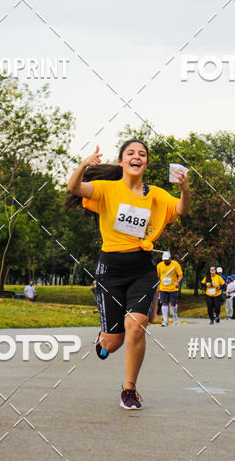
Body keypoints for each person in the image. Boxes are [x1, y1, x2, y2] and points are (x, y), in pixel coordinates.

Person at [66, 140, 190, 410]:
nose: (137, 157)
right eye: (131, 153)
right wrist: (84, 165)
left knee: (137, 326)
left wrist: (184, 189)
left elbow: (181, 210)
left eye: (142, 154)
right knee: (113, 343)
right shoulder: (106, 189)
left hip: (142, 270)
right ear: (122, 161)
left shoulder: (155, 195)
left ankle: (130, 389)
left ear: (146, 163)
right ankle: (104, 336)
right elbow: (74, 188)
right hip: (110, 271)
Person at [156, 251, 183, 326]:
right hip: (163, 288)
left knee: (173, 303)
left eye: (167, 260)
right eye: (164, 260)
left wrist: (177, 282)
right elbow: (157, 276)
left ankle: (175, 315)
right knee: (164, 303)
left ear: (170, 258)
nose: (165, 261)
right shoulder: (160, 265)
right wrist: (158, 285)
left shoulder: (175, 264)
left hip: (173, 288)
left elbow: (180, 275)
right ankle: (165, 320)